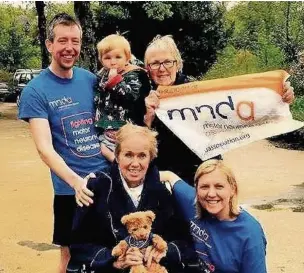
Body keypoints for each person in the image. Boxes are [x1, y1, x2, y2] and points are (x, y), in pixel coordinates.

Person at [18, 13, 109, 273]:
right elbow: (44, 149)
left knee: (112, 252)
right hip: (70, 191)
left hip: (105, 180)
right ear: (49, 45)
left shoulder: (90, 80)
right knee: (70, 260)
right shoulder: (35, 91)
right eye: (62, 41)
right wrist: (75, 182)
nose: (69, 48)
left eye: (75, 41)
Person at [144, 35, 295, 185]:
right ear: (147, 68)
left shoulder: (197, 90)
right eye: (155, 63)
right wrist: (148, 118)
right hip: (162, 177)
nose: (162, 68)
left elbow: (242, 107)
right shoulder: (140, 96)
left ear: (177, 64)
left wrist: (278, 96)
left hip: (203, 173)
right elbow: (134, 145)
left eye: (168, 62)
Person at [67, 123, 195, 273]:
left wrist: (165, 251)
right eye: (128, 155)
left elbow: (185, 239)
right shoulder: (96, 187)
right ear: (117, 155)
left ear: (151, 158)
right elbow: (79, 244)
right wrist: (113, 261)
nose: (135, 163)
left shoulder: (164, 190)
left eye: (142, 156)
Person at [160, 159, 267, 273]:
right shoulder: (193, 203)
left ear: (232, 189)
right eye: (204, 187)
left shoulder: (249, 233)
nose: (211, 194)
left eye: (219, 186)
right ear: (196, 189)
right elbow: (169, 176)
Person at [95, 34, 151, 163]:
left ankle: (120, 166)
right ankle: (117, 166)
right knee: (104, 149)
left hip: (128, 130)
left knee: (129, 158)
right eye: (107, 58)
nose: (113, 61)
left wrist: (115, 82)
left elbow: (132, 97)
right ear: (101, 60)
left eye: (118, 57)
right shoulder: (101, 76)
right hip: (108, 131)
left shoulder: (134, 75)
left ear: (127, 57)